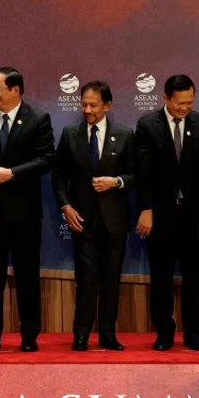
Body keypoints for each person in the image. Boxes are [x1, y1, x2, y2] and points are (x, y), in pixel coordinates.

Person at [0, 67, 54, 352]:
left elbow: (46, 159)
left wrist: (12, 173)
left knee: (27, 276)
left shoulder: (38, 119)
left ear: (15, 90)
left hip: (25, 215)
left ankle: (29, 337)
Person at [52, 81, 135, 351]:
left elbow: (137, 175)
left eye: (93, 105)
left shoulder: (124, 134)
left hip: (114, 220)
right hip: (82, 219)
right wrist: (66, 206)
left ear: (107, 106)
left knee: (111, 278)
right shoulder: (70, 133)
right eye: (84, 104)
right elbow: (58, 176)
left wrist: (117, 181)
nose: (87, 109)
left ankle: (108, 334)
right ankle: (81, 334)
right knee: (85, 279)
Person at [135, 74, 199, 351]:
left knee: (194, 277)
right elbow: (143, 173)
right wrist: (146, 210)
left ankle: (193, 333)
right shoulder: (148, 125)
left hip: (194, 215)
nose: (185, 108)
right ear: (166, 98)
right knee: (161, 276)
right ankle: (164, 333)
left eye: (189, 102)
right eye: (180, 103)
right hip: (161, 214)